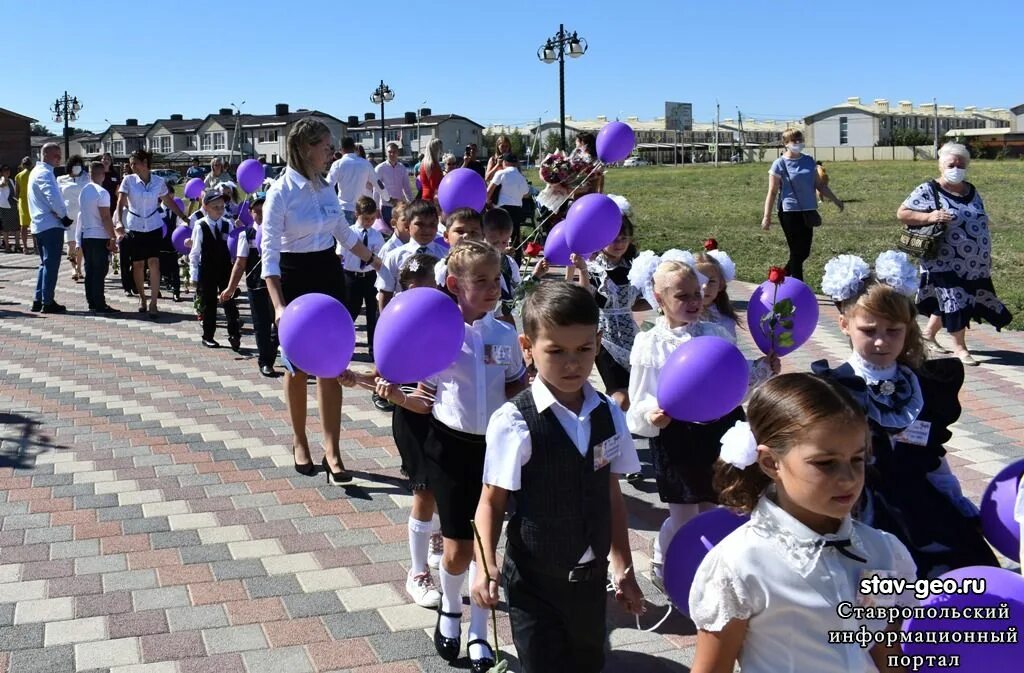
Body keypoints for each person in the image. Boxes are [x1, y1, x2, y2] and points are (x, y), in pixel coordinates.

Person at [688, 374, 916, 673]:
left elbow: (887, 655)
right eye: (825, 463)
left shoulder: (883, 550)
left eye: (857, 460)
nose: (848, 479)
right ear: (771, 463)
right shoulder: (740, 564)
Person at [473, 282, 645, 673]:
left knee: (587, 661)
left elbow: (610, 494)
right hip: (535, 582)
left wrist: (623, 566)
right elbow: (491, 501)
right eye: (556, 351)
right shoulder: (514, 421)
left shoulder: (608, 413)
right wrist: (484, 565)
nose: (572, 364)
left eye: (584, 349)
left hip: (589, 580)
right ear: (527, 347)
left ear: (598, 342)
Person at [374, 240, 526, 672]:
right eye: (481, 281)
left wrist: (531, 381)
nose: (493, 288)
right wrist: (396, 396)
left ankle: (479, 627)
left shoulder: (502, 334)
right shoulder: (441, 337)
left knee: (486, 545)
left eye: (496, 279)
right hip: (449, 448)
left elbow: (513, 383)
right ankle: (451, 610)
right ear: (455, 285)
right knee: (458, 546)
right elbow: (425, 401)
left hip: (494, 451)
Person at [815, 251, 999, 579]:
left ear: (908, 327)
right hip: (862, 512)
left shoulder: (925, 384)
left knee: (965, 568)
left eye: (893, 330)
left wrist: (956, 500)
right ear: (844, 324)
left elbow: (933, 457)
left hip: (922, 505)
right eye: (869, 330)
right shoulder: (834, 388)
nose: (882, 341)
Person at [627, 253, 778, 588]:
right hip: (677, 436)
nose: (693, 302)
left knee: (713, 509)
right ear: (659, 299)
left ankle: (710, 575)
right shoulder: (650, 343)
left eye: (697, 293)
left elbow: (731, 382)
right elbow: (640, 398)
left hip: (718, 432)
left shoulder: (715, 333)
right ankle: (666, 558)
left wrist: (762, 369)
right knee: (682, 517)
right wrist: (651, 415)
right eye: (681, 296)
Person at [261, 118, 382, 482]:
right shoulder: (280, 192)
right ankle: (300, 440)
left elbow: (343, 233)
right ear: (306, 148)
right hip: (293, 280)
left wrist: (377, 261)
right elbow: (268, 252)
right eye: (326, 146)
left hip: (327, 276)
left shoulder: (326, 188)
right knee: (296, 367)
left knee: (333, 364)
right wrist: (279, 305)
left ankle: (333, 449)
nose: (332, 152)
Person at [340, 252, 445, 608]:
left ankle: (437, 536)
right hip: (413, 419)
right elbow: (386, 376)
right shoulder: (397, 324)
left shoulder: (452, 322)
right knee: (424, 492)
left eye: (428, 286)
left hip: (452, 417)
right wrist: (357, 379)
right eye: (413, 289)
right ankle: (417, 572)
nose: (421, 296)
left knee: (446, 490)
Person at [897, 142, 1012, 366]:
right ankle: (960, 347)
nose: (956, 168)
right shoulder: (928, 190)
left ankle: (928, 335)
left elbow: (980, 215)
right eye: (951, 164)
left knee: (949, 301)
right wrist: (930, 217)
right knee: (955, 299)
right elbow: (903, 213)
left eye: (961, 165)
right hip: (943, 260)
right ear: (941, 166)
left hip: (974, 262)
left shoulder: (971, 190)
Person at [581, 197, 645, 410]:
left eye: (624, 238)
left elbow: (637, 303)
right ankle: (608, 425)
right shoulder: (593, 268)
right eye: (614, 238)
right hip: (604, 336)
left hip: (629, 335)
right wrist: (580, 271)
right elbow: (583, 298)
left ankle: (612, 422)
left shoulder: (635, 268)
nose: (619, 244)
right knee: (620, 394)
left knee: (633, 389)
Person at [760, 128, 844, 281]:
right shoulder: (779, 164)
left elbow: (820, 185)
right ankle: (799, 286)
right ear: (785, 144)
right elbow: (772, 192)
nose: (798, 143)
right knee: (796, 251)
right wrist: (767, 216)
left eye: (800, 140)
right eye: (794, 141)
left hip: (809, 210)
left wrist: (836, 200)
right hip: (789, 212)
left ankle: (780, 276)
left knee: (804, 252)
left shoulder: (808, 160)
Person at [115, 150, 190, 318]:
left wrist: (183, 217)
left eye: (135, 163)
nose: (132, 167)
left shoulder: (158, 181)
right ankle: (142, 297)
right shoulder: (128, 180)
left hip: (154, 226)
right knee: (138, 265)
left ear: (145, 163)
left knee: (154, 263)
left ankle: (154, 302)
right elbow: (120, 202)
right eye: (131, 164)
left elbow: (168, 201)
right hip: (135, 227)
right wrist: (119, 221)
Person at [221, 192, 278, 377]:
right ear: (250, 211)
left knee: (279, 324)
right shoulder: (247, 234)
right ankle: (266, 361)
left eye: (264, 211)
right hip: (256, 286)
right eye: (257, 211)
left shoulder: (278, 231)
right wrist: (231, 287)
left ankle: (274, 349)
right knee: (261, 325)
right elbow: (240, 263)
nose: (260, 215)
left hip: (277, 285)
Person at [188, 190, 241, 349]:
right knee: (209, 303)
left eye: (222, 206)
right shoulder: (200, 225)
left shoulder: (227, 223)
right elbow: (195, 252)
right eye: (215, 206)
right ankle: (208, 335)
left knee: (229, 302)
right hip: (208, 269)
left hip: (225, 268)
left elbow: (233, 247)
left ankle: (234, 334)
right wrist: (194, 275)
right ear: (206, 207)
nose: (219, 209)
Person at [376, 199, 448, 310]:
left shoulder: (445, 256)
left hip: (436, 314)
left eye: (432, 224)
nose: (427, 229)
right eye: (420, 224)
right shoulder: (394, 256)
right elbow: (386, 292)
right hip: (404, 314)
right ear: (407, 226)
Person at [27, 143, 72, 313]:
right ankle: (48, 301)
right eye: (56, 155)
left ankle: (39, 299)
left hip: (40, 224)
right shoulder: (45, 173)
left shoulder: (36, 172)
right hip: (50, 225)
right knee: (51, 264)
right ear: (45, 155)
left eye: (59, 155)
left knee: (44, 264)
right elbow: (52, 195)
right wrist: (64, 216)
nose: (59, 158)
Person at [340, 196, 385, 355]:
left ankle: (374, 349)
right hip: (351, 277)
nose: (369, 222)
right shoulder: (348, 233)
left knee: (373, 314)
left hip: (370, 277)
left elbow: (380, 257)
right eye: (366, 218)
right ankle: (343, 345)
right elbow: (340, 255)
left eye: (372, 219)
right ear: (356, 214)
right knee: (350, 312)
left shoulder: (377, 235)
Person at [77, 162, 118, 314]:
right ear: (103, 174)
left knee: (91, 271)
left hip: (86, 234)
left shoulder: (84, 191)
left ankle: (92, 302)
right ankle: (100, 303)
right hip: (99, 235)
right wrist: (112, 237)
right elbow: (106, 217)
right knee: (100, 271)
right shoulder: (102, 192)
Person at [482, 208, 521, 326]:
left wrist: (535, 276)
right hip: (481, 317)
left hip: (502, 315)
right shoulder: (477, 263)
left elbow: (516, 289)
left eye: (504, 242)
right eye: (494, 243)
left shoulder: (509, 263)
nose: (499, 247)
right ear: (483, 235)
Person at [695, 246, 740, 341]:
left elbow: (730, 351)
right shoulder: (683, 317)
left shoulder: (726, 320)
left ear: (720, 285)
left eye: (711, 281)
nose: (705, 287)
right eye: (699, 280)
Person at [326, 137, 375, 225]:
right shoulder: (365, 163)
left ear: (341, 149)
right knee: (360, 237)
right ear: (354, 147)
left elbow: (328, 185)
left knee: (344, 238)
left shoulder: (337, 164)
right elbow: (378, 184)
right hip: (361, 209)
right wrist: (388, 198)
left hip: (344, 208)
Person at [486, 153, 530, 251]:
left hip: (502, 209)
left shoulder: (501, 173)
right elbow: (526, 193)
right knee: (515, 236)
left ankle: (498, 256)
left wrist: (487, 202)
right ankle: (516, 259)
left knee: (499, 235)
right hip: (517, 209)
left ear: (504, 162)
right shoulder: (521, 177)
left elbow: (489, 191)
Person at [58, 154, 90, 282]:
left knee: (79, 244)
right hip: (68, 216)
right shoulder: (61, 179)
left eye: (79, 165)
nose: (77, 168)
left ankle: (79, 268)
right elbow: (57, 197)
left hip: (82, 215)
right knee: (71, 243)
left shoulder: (86, 178)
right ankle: (73, 267)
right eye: (74, 165)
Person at [375, 142, 413, 225]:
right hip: (386, 206)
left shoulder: (402, 168)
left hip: (399, 207)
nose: (392, 154)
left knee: (399, 229)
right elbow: (376, 190)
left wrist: (411, 203)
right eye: (389, 152)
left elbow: (407, 188)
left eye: (394, 152)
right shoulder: (380, 169)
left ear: (398, 153)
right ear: (386, 153)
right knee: (388, 231)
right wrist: (376, 208)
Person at [14, 156, 33, 254]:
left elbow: (16, 193)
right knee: (33, 225)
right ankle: (36, 247)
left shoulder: (18, 176)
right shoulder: (33, 174)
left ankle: (25, 247)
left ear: (22, 164)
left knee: (23, 226)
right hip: (32, 201)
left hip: (22, 201)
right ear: (31, 165)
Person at [418, 139, 443, 203]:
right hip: (433, 199)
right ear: (436, 150)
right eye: (440, 148)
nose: (441, 151)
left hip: (425, 196)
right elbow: (434, 186)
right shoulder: (433, 164)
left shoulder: (423, 163)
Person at [0, 164, 19, 251]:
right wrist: (4, 179)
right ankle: (7, 246)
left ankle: (17, 245)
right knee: (5, 228)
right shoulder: (2, 180)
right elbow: (2, 184)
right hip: (4, 206)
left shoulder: (11, 180)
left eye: (8, 170)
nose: (7, 172)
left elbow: (14, 192)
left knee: (16, 226)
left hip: (13, 205)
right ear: (2, 172)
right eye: (5, 170)